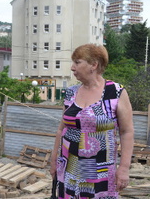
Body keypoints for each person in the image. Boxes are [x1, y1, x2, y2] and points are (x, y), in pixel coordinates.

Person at [50, 44, 134, 198]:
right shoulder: (71, 93)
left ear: (94, 65)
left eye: (77, 62)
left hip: (99, 170)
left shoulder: (115, 92)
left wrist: (124, 168)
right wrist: (54, 159)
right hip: (68, 166)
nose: (72, 68)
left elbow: (126, 132)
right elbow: (61, 129)